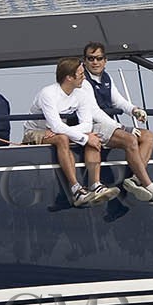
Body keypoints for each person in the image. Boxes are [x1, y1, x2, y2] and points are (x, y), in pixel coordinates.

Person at [79, 42, 153, 206]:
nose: (95, 62)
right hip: (91, 126)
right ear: (85, 61)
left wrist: (134, 110)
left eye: (99, 58)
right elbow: (94, 111)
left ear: (105, 60)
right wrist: (123, 128)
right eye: (91, 58)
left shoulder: (106, 77)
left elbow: (118, 101)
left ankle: (135, 179)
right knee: (130, 139)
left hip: (108, 126)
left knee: (148, 136)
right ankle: (151, 188)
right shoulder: (83, 81)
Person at [24, 58, 117, 207]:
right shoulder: (47, 94)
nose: (84, 77)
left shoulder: (81, 93)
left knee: (91, 136)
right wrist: (76, 135)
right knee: (63, 139)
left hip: (57, 131)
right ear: (69, 77)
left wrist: (81, 135)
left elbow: (86, 125)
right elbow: (56, 126)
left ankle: (96, 185)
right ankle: (76, 190)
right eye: (80, 74)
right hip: (35, 132)